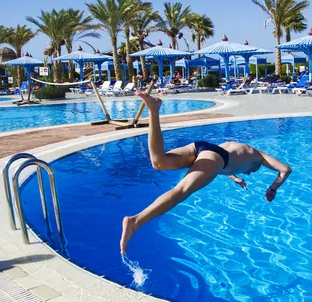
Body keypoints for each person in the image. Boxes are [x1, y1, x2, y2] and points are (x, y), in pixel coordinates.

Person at [120, 91, 292, 254]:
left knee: (159, 162)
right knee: (181, 192)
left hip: (201, 147)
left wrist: (233, 178)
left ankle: (154, 110)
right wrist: (273, 189)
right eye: (251, 172)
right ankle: (136, 221)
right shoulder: (259, 157)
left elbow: (219, 167)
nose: (249, 174)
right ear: (254, 165)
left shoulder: (239, 158)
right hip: (216, 156)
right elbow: (285, 170)